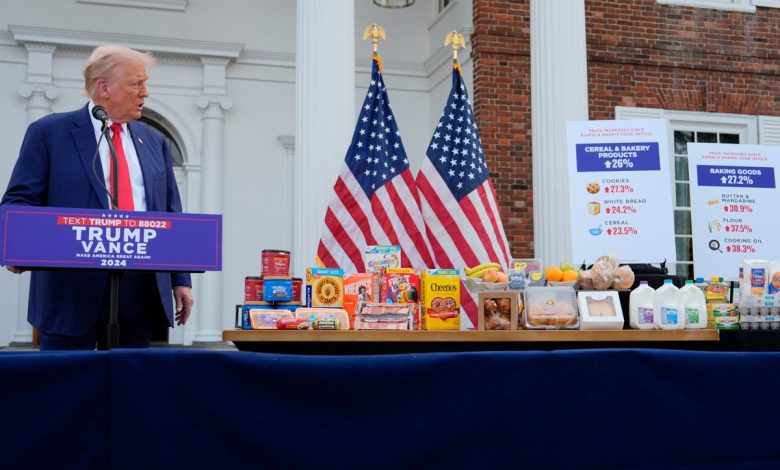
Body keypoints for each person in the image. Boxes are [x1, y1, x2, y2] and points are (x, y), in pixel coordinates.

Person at [1, 44, 193, 350]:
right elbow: (19, 200)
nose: (145, 92)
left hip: (138, 289)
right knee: (67, 390)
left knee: (129, 388)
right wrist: (17, 246)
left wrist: (180, 279)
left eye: (145, 83)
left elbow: (171, 213)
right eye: (136, 83)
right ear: (103, 87)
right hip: (70, 290)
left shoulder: (154, 142)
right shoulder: (49, 133)